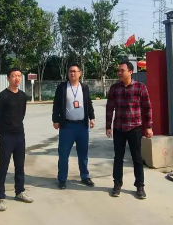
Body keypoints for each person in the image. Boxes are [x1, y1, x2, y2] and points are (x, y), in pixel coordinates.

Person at [106, 61, 153, 199]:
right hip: (118, 129)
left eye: (122, 70)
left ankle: (140, 186)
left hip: (135, 128)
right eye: (118, 70)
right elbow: (110, 108)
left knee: (137, 158)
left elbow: (147, 108)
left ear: (130, 72)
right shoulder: (114, 88)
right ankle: (117, 184)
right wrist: (108, 126)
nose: (119, 73)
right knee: (118, 158)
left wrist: (149, 127)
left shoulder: (140, 87)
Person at [0, 68, 34, 211]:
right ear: (8, 78)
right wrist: (4, 131)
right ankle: (0, 196)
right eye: (14, 76)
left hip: (20, 135)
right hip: (6, 137)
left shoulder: (22, 95)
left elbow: (22, 113)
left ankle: (19, 191)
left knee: (20, 165)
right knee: (3, 166)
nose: (17, 78)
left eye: (19, 76)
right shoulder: (3, 96)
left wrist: (16, 129)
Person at [52, 64, 96, 189]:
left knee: (83, 153)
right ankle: (62, 179)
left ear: (80, 73)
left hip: (82, 126)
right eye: (70, 71)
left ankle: (85, 176)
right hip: (67, 126)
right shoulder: (62, 87)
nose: (72, 73)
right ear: (68, 73)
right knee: (63, 154)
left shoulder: (84, 87)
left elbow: (89, 103)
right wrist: (55, 120)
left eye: (75, 71)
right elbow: (56, 105)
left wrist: (92, 117)